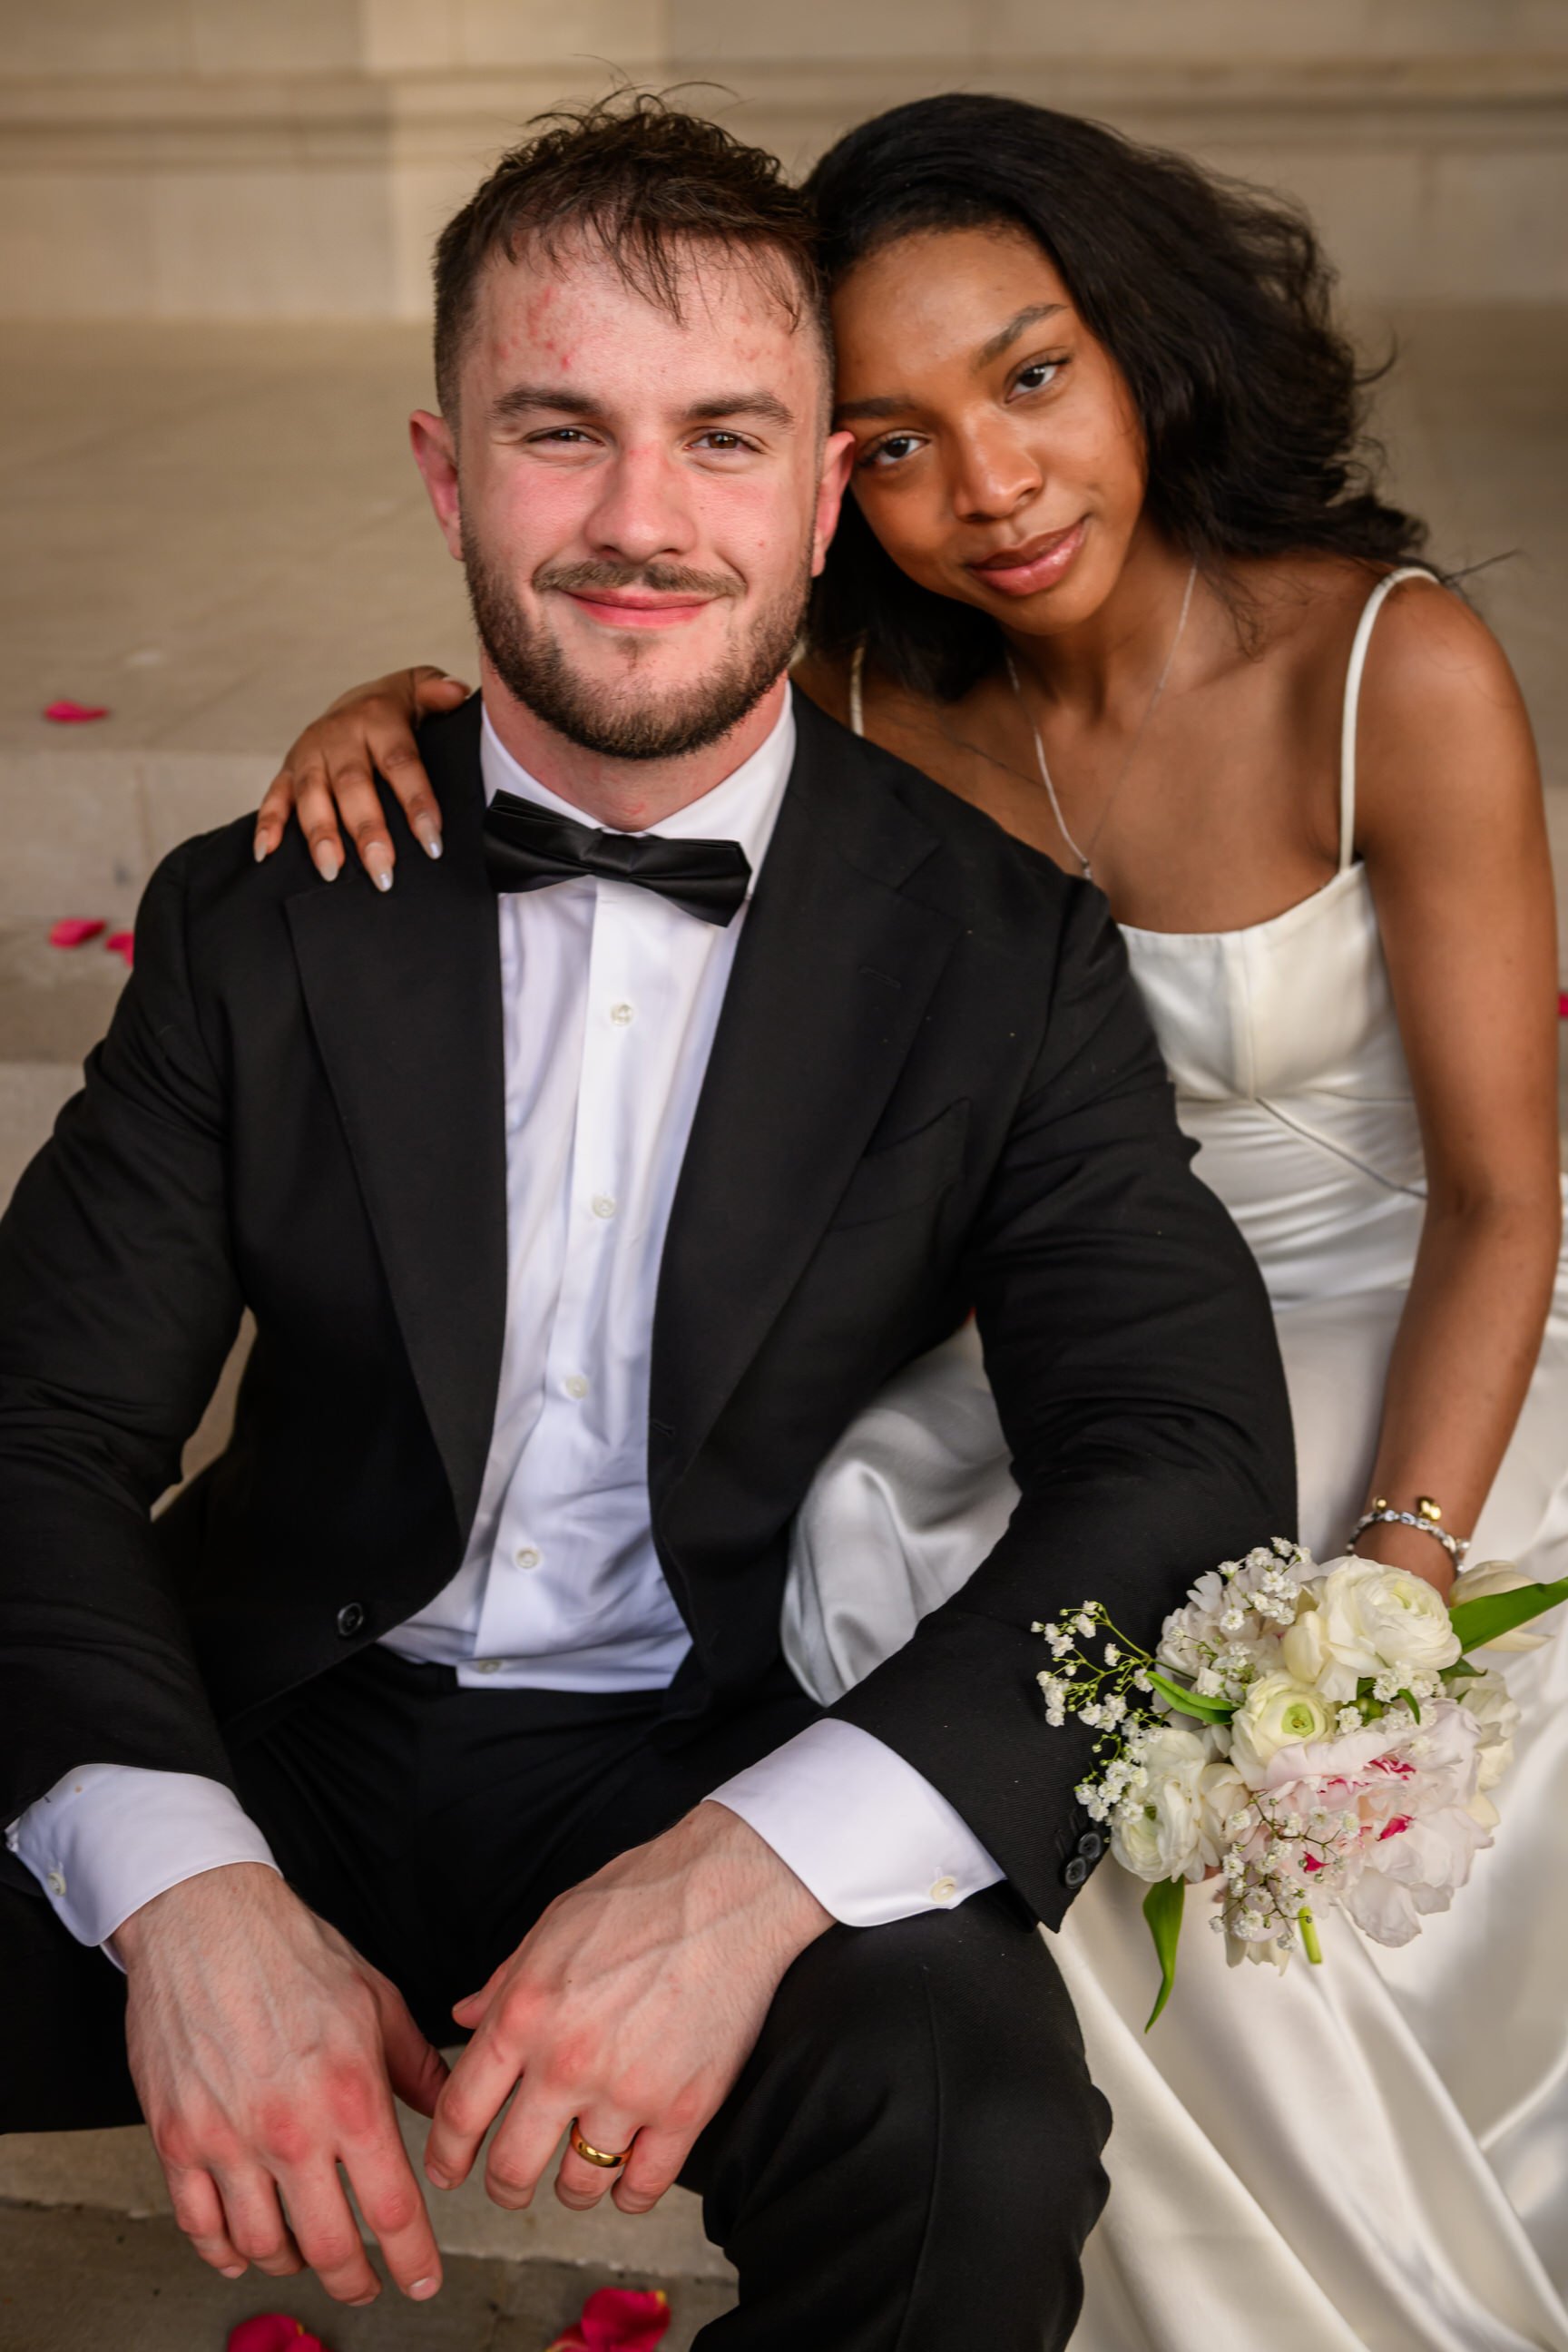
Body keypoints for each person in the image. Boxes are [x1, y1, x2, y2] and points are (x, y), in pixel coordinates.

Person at [267, 94, 1568, 2351]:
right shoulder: (869, 688)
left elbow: (1498, 1188)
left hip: (1405, 1301)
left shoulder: (1387, 666)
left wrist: (1397, 1583)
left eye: (1033, 375)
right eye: (887, 438)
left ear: (1135, 340)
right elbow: (613, 695)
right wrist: (399, 710)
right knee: (893, 1575)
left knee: (1256, 1704)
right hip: (1051, 1317)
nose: (992, 484)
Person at [0, 98, 1296, 2349]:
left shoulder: (1004, 957)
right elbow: (31, 1432)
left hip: (715, 1730)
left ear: (820, 497)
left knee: (970, 2136)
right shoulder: (266, 912)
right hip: (272, 1699)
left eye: (722, 439)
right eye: (557, 432)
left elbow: (1182, 1450)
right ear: (445, 476)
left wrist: (762, 1870)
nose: (636, 521)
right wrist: (187, 1888)